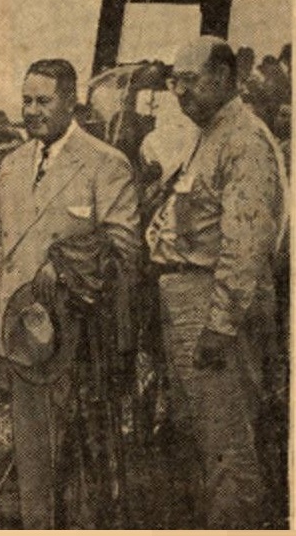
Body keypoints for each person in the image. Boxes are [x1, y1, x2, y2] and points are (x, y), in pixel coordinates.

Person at [0, 59, 139, 528]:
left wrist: (68, 266)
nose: (31, 111)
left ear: (71, 103)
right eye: (26, 100)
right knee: (31, 454)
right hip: (25, 339)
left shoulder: (104, 164)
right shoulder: (11, 166)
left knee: (81, 460)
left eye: (43, 101)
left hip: (81, 340)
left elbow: (126, 250)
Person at [146, 36, 286, 528]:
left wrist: (220, 326)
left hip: (211, 302)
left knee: (227, 443)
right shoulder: (209, 134)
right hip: (187, 295)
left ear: (225, 80)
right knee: (200, 435)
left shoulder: (243, 140)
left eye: (192, 80)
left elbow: (246, 245)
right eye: (175, 82)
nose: (181, 92)